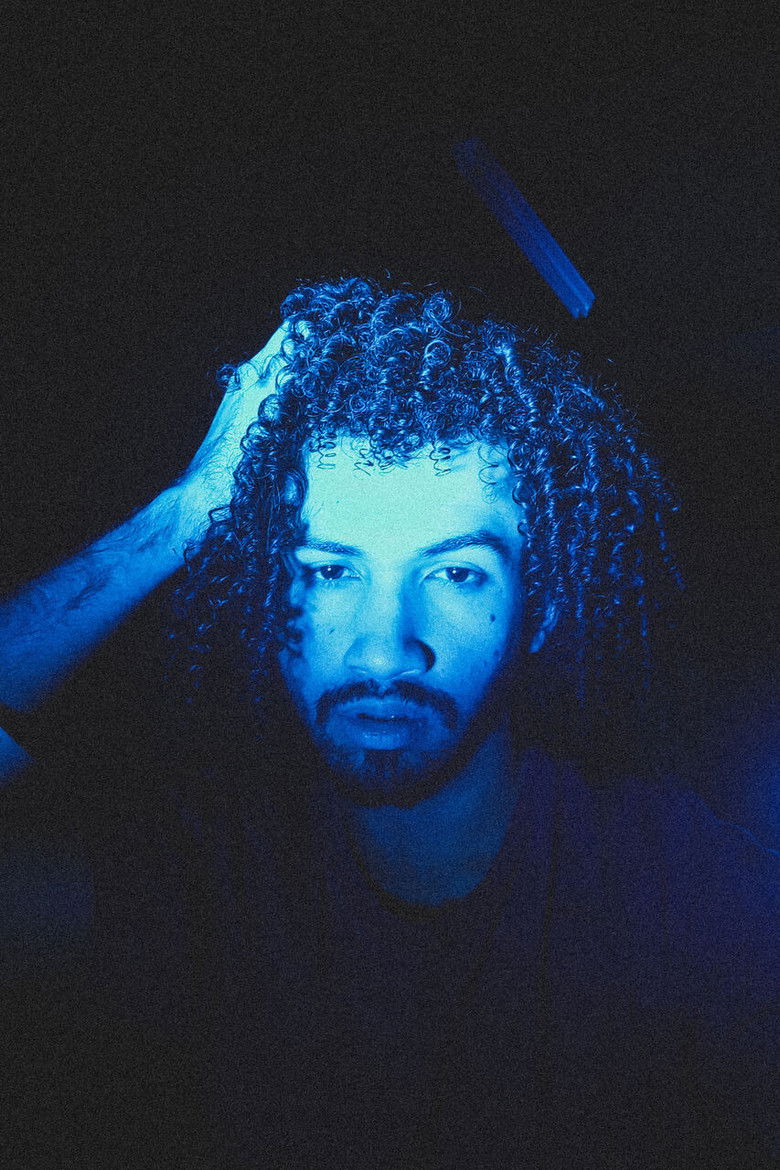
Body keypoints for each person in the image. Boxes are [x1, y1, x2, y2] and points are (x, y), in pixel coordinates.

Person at [0, 276, 776, 1168]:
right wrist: (178, 517)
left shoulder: (676, 889)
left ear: (543, 611)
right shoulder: (203, 869)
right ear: (266, 595)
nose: (383, 650)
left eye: (457, 574)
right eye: (330, 571)